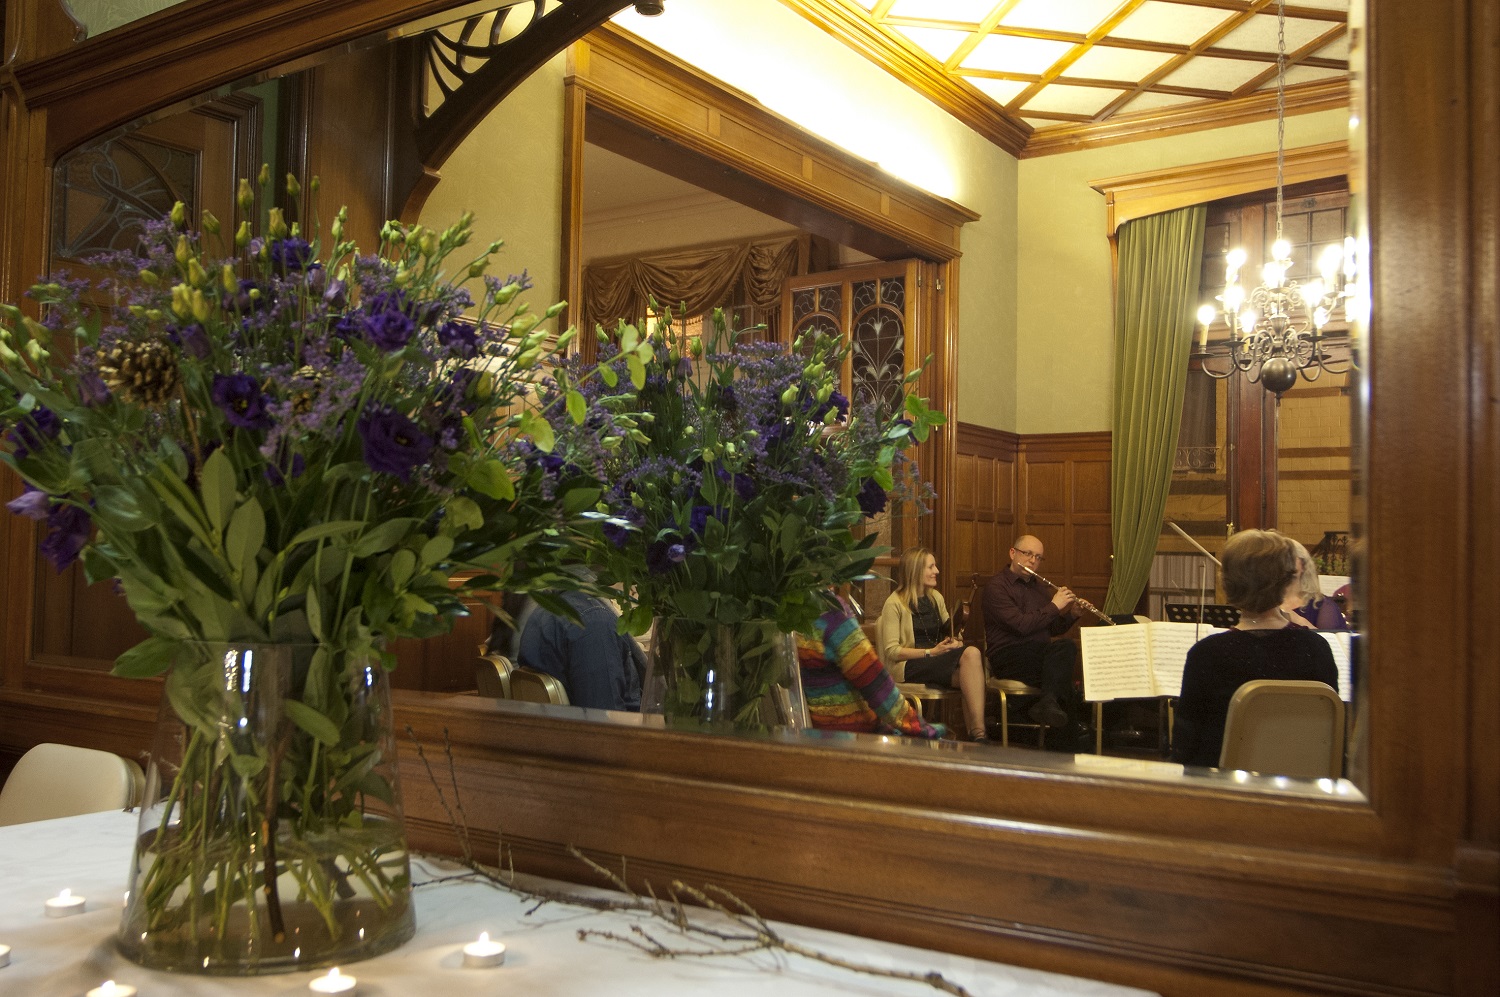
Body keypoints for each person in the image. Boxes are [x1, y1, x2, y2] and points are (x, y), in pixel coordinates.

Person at [1171, 529, 1339, 769]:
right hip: (1303, 783)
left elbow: (1186, 747)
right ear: (1286, 582)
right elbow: (1332, 736)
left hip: (1226, 785)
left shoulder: (1207, 654)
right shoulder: (1316, 648)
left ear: (1226, 584)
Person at [877, 548, 990, 743]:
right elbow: (892, 651)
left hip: (937, 660)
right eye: (931, 567)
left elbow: (948, 630)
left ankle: (977, 735)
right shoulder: (893, 603)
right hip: (909, 665)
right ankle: (979, 735)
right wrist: (931, 652)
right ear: (915, 570)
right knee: (971, 656)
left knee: (969, 671)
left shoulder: (935, 597)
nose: (936, 571)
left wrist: (954, 641)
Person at [798, 591, 945, 739]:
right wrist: (921, 727)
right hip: (855, 737)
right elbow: (875, 683)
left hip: (811, 737)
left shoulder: (790, 615)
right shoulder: (830, 615)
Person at [981, 535, 1082, 732]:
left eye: (1038, 557)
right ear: (1013, 553)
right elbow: (1021, 625)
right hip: (1009, 655)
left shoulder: (1039, 587)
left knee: (1067, 647)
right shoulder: (996, 587)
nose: (1033, 560)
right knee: (1062, 679)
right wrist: (1054, 605)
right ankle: (1068, 733)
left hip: (1038, 653)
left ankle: (1048, 704)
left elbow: (1051, 628)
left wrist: (1072, 615)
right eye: (1027, 554)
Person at [516, 590, 646, 711]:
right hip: (611, 726)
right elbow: (602, 717)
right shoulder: (594, 623)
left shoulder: (547, 607)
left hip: (551, 726)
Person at [1281, 539, 1350, 631]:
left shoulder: (1323, 606)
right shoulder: (1265, 603)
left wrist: (1296, 619)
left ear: (1303, 565)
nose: (1282, 563)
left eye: (1289, 557)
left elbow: (1327, 639)